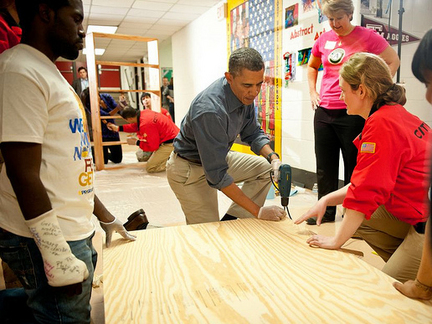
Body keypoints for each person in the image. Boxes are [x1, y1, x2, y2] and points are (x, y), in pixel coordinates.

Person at [0, 1, 135, 322]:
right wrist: (55, 251)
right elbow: (22, 170)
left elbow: (70, 162)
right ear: (45, 12)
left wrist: (103, 216)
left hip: (71, 224)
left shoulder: (49, 71)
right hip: (47, 234)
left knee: (68, 308)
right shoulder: (19, 71)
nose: (82, 30)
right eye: (76, 19)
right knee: (65, 317)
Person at [295, 52, 430, 283]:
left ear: (361, 90)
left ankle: (418, 271)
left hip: (425, 228)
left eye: (343, 89)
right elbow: (365, 182)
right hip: (417, 213)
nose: (340, 96)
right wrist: (325, 200)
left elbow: (364, 192)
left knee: (390, 290)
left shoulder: (381, 124)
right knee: (357, 216)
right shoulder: (393, 114)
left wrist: (337, 240)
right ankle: (409, 261)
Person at [166, 47, 286, 225]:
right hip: (189, 170)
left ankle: (233, 220)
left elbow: (252, 132)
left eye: (259, 84)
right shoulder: (210, 111)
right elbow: (217, 175)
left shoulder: (243, 95)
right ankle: (143, 226)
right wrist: (258, 211)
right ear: (229, 77)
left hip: (216, 157)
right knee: (209, 234)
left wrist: (273, 158)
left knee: (265, 168)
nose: (254, 92)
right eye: (248, 85)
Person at [306, 0, 399, 225]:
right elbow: (312, 66)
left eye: (339, 18)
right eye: (330, 19)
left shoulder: (367, 37)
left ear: (349, 14)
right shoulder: (323, 39)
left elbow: (392, 61)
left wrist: (373, 93)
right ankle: (325, 212)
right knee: (324, 164)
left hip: (353, 112)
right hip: (324, 110)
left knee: (354, 165)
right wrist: (312, 92)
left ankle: (351, 213)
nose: (335, 23)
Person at [393, 29, 432, 300]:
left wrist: (422, 285)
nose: (428, 96)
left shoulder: (381, 124)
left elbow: (365, 189)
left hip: (419, 224)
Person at [108, 107, 179, 173]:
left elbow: (153, 146)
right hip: (174, 137)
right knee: (143, 156)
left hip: (171, 143)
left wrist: (136, 142)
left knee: (150, 167)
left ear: (129, 119)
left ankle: (176, 164)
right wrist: (118, 128)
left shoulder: (146, 124)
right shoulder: (144, 113)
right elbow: (136, 126)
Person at [81, 88, 123, 164]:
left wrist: (122, 107)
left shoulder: (107, 97)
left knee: (117, 159)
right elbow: (105, 115)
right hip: (101, 131)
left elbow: (117, 109)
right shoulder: (89, 104)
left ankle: (103, 153)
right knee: (104, 161)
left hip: (112, 129)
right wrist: (118, 108)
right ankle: (94, 151)